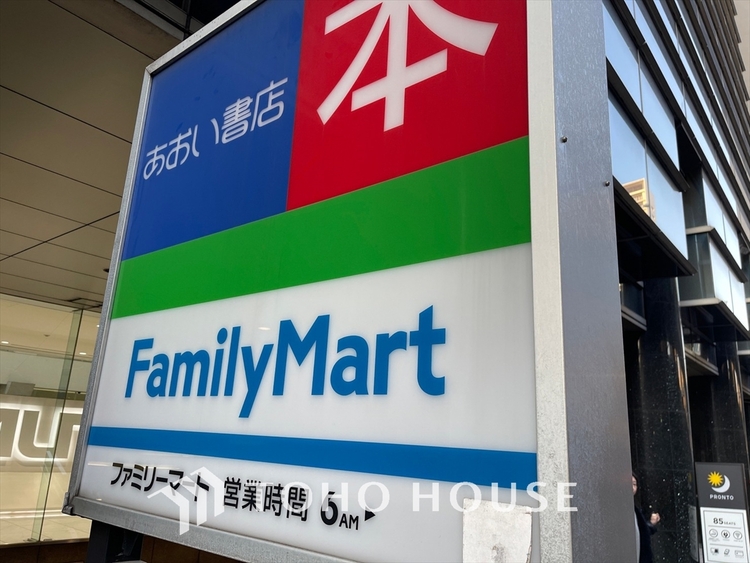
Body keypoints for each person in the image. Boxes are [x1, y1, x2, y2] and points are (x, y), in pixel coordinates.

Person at [632, 473, 660, 563]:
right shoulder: (627, 509)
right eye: (630, 484)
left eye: (634, 484)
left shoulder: (635, 508)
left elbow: (642, 532)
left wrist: (651, 524)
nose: (632, 487)